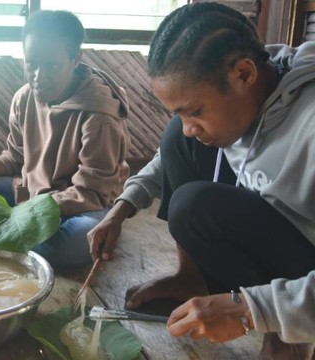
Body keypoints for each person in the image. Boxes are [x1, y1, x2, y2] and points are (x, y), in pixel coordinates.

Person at [87, 2, 315, 357]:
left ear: (244, 74)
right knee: (177, 138)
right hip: (276, 231)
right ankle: (190, 276)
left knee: (194, 202)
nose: (191, 125)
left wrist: (254, 310)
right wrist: (121, 208)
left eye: (195, 110)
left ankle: (290, 331)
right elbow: (168, 158)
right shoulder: (249, 92)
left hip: (306, 265)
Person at [0, 10, 130, 267]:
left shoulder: (99, 118)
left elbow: (92, 192)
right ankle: (12, 238)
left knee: (72, 244)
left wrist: (31, 212)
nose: (39, 76)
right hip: (30, 191)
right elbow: (15, 159)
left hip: (81, 206)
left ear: (75, 59)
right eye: (31, 64)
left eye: (51, 66)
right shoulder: (25, 97)